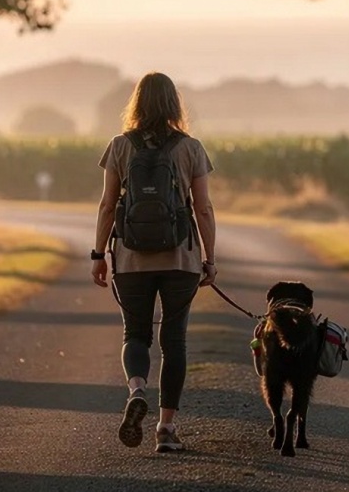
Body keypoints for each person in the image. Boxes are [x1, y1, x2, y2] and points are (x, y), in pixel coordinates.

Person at [91, 72, 218, 454]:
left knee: (135, 334)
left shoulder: (118, 146)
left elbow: (108, 205)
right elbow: (203, 207)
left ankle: (136, 390)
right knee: (174, 339)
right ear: (174, 104)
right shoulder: (191, 148)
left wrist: (98, 254)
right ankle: (165, 428)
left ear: (136, 103)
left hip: (130, 257)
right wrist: (210, 258)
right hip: (181, 257)